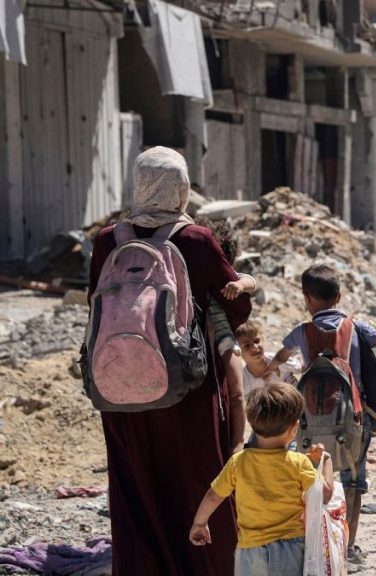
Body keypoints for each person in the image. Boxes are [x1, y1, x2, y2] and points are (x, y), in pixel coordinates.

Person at [87, 147, 251, 575]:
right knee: (196, 481)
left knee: (135, 488)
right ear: (181, 188)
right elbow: (234, 305)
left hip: (120, 386)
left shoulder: (109, 240)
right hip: (187, 390)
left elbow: (94, 303)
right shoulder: (195, 240)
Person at [270, 265, 376, 572]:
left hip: (309, 421)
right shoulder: (357, 327)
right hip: (352, 420)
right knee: (354, 482)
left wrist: (270, 370)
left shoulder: (301, 332)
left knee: (308, 478)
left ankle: (311, 541)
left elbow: (280, 357)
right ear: (339, 296)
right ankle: (349, 546)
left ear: (306, 298)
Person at [189, 383, 334, 576]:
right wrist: (326, 461)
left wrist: (200, 523)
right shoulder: (299, 463)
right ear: (294, 428)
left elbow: (213, 495)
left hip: (250, 549)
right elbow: (325, 493)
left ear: (254, 426)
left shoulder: (238, 462)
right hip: (290, 548)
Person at [203, 218, 258, 453]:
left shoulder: (226, 275)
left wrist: (239, 285)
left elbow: (251, 281)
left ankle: (237, 444)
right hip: (199, 338)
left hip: (225, 338)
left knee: (236, 393)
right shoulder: (193, 274)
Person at [235, 320, 300, 395]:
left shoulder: (278, 360)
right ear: (237, 352)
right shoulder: (244, 382)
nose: (254, 347)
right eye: (247, 346)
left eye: (256, 341)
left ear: (263, 340)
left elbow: (301, 366)